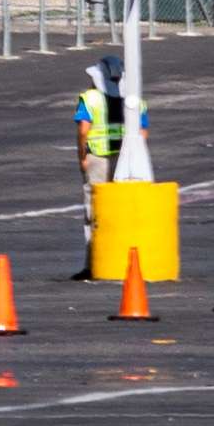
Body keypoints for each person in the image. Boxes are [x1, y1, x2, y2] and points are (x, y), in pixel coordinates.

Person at [71, 52, 126, 273]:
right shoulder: (131, 99)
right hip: (121, 157)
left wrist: (82, 156)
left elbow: (83, 130)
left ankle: (94, 263)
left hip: (97, 157)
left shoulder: (90, 98)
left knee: (92, 210)